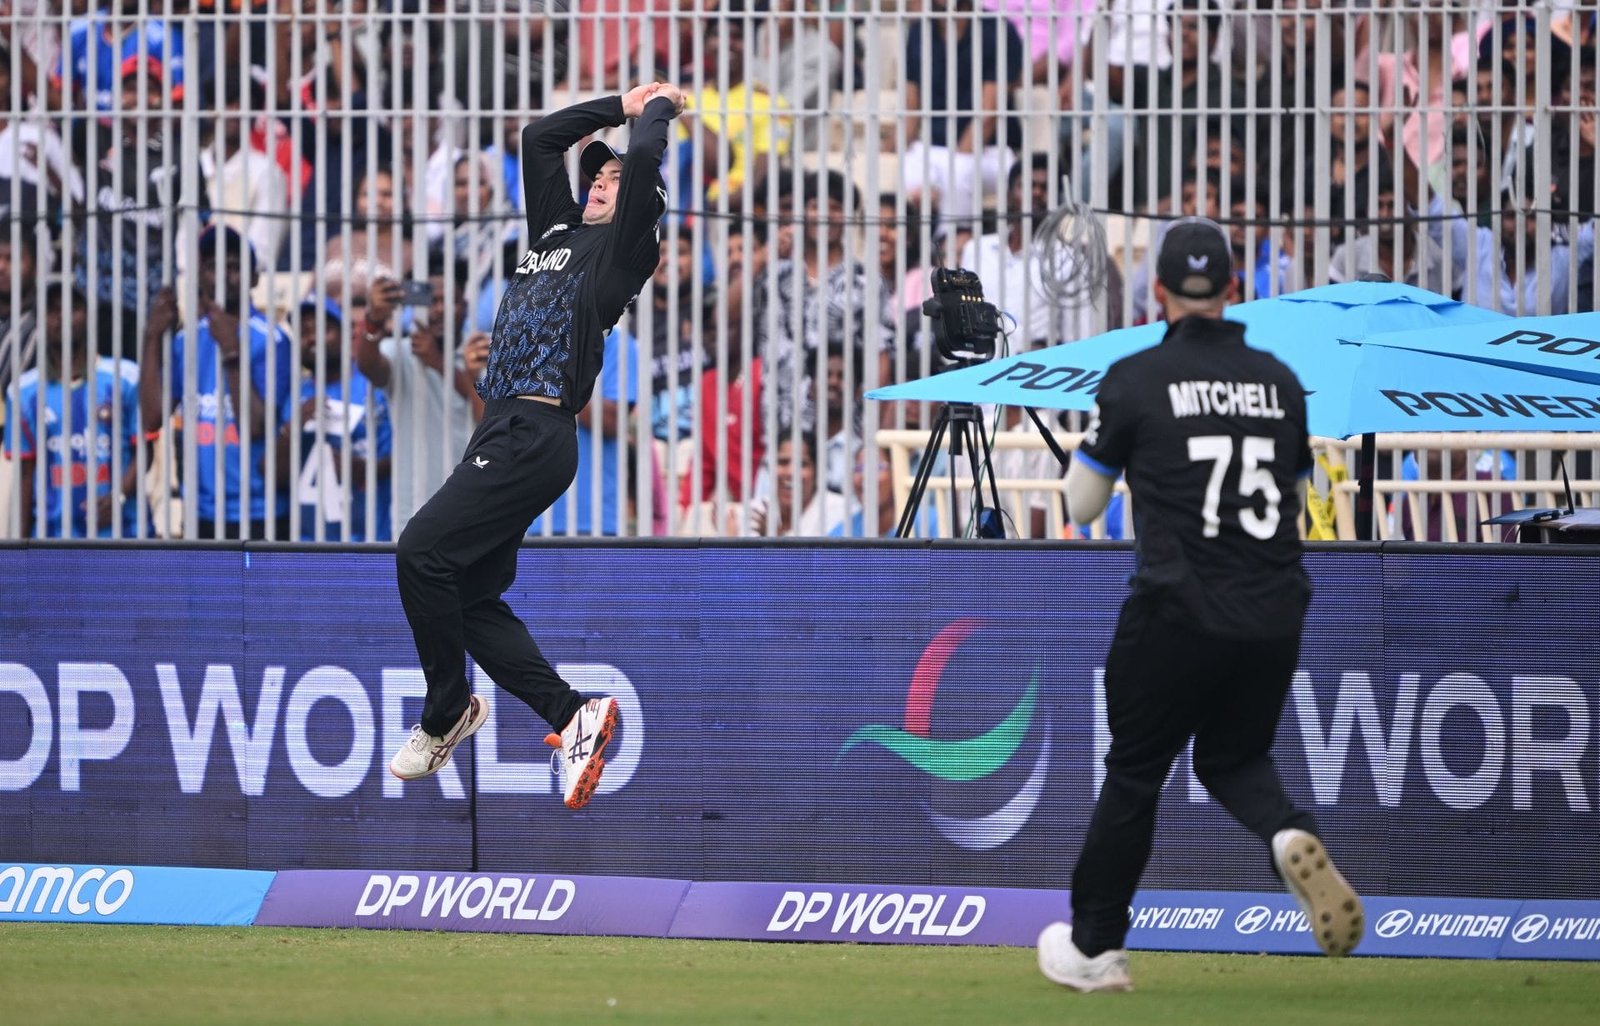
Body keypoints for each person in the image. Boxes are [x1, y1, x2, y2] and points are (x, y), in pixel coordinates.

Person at [1038, 219, 1363, 993]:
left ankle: (1095, 948)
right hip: (1274, 610)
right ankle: (1291, 831)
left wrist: (1100, 454)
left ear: (1158, 293)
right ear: (1230, 289)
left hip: (1175, 608)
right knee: (1233, 755)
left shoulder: (1136, 378)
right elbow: (1297, 495)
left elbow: (1082, 506)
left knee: (1136, 771)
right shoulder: (1280, 381)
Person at [387, 82, 685, 811]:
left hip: (538, 431)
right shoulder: (557, 233)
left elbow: (646, 153)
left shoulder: (625, 248)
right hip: (502, 427)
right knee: (466, 591)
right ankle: (570, 713)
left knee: (419, 552)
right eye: (597, 178)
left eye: (615, 181)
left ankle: (445, 711)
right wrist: (617, 101)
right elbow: (540, 138)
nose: (600, 184)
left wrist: (655, 111)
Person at [3, 278, 144, 539]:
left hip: (122, 536)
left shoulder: (125, 377)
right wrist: (19, 554)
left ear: (88, 315)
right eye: (52, 309)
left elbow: (144, 451)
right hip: (53, 542)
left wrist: (119, 496)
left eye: (72, 307)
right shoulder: (22, 392)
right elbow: (25, 476)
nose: (62, 316)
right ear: (39, 322)